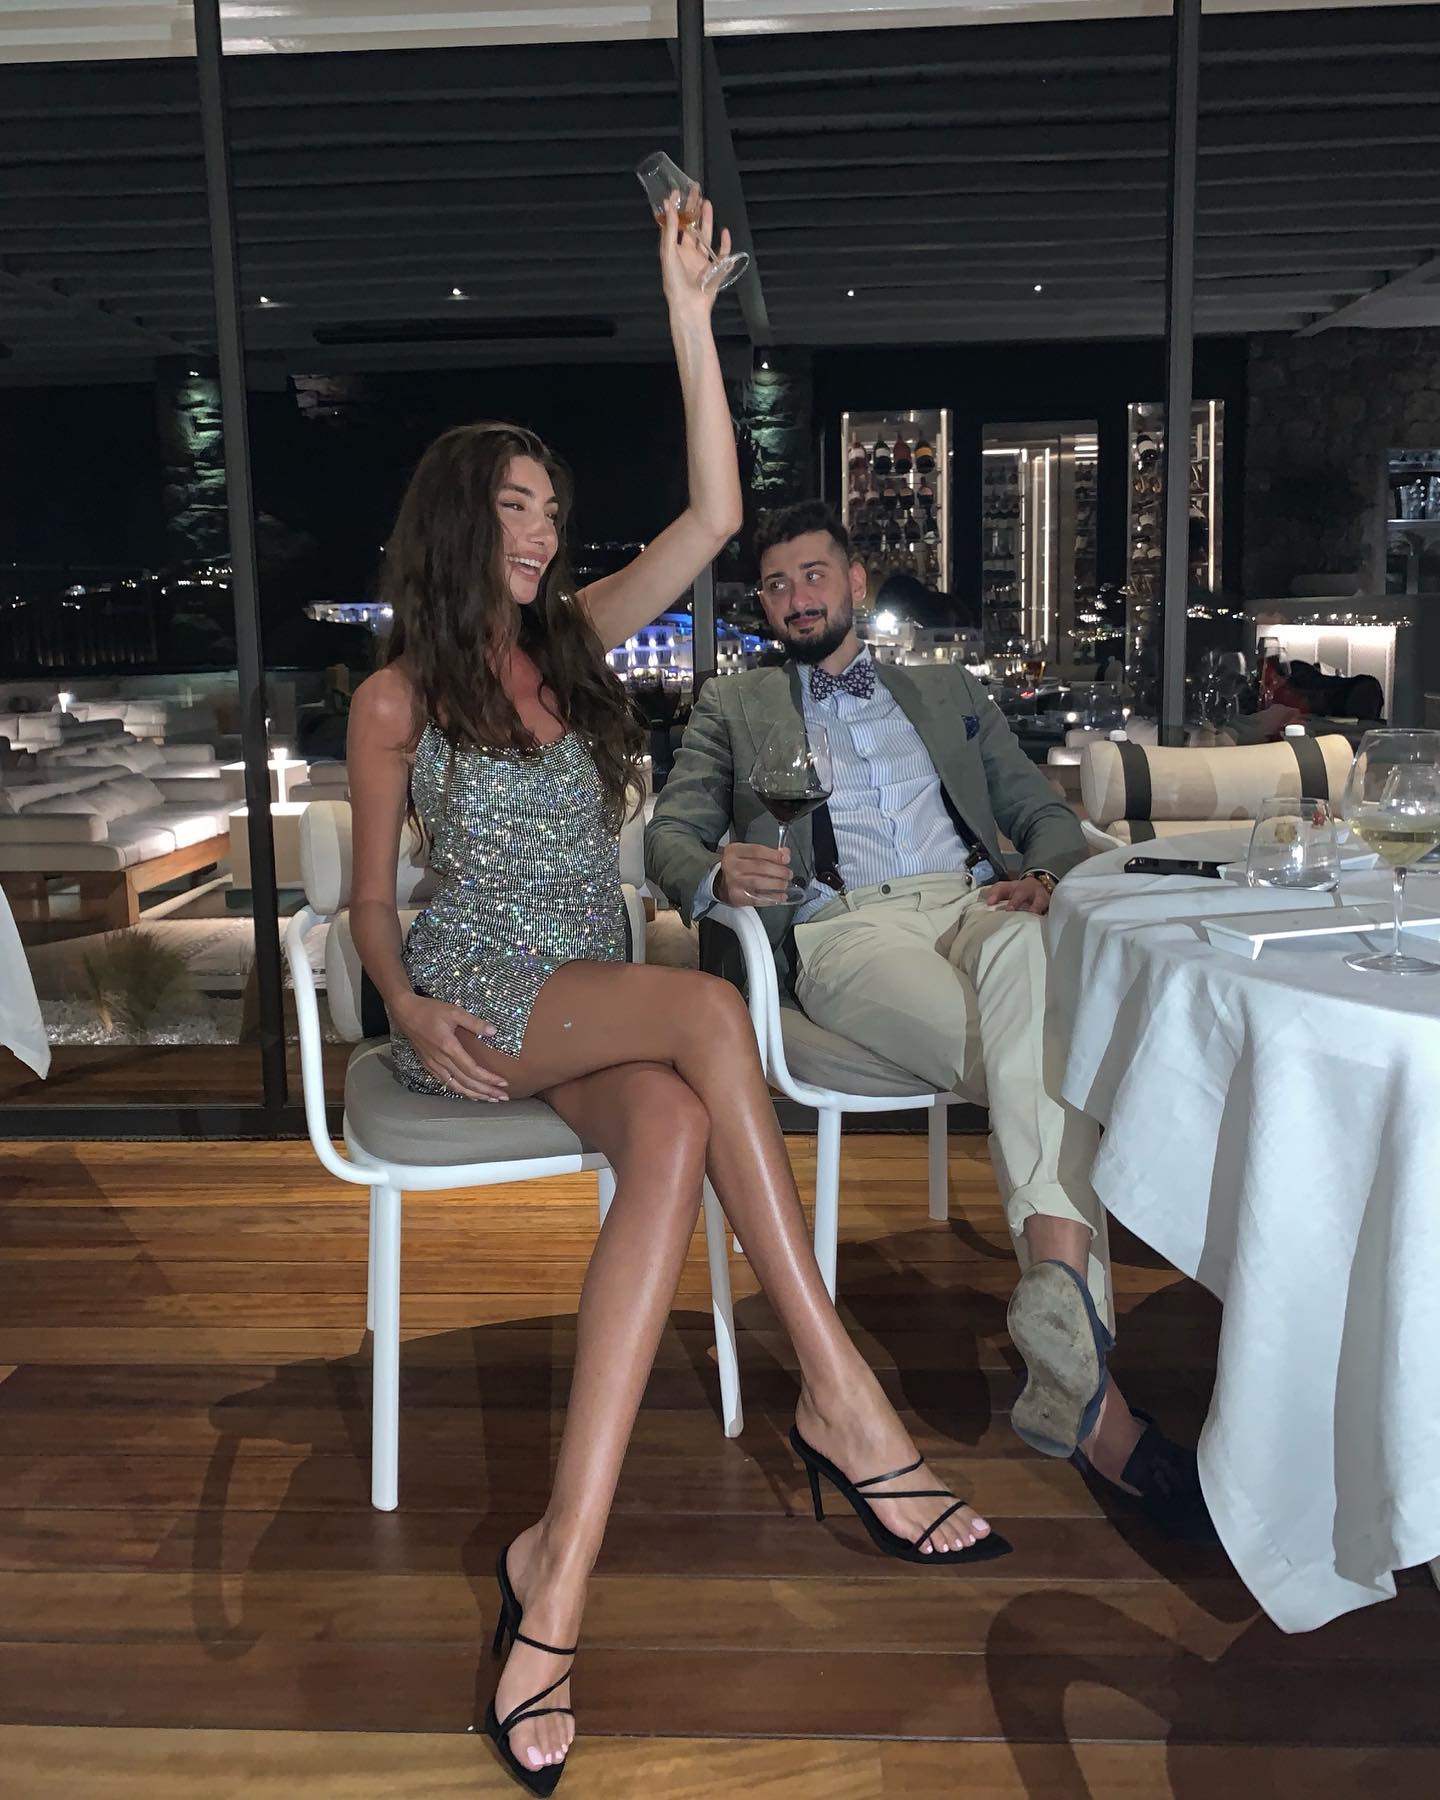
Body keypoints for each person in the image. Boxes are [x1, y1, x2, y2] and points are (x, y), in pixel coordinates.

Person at [345, 209, 1008, 1798]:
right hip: (481, 996)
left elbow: (714, 512)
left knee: (670, 1131)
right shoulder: (392, 696)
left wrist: (686, 309)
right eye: (514, 508)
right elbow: (371, 900)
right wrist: (404, 1007)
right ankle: (841, 1397)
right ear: (454, 521)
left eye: (551, 510)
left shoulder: (572, 640)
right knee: (711, 1020)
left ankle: (554, 1570)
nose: (539, 533)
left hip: (589, 995)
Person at [646, 499, 1214, 1549]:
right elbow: (670, 831)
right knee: (1053, 1052)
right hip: (847, 929)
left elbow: (1037, 809)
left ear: (856, 582)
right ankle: (1099, 1395)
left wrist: (1049, 875)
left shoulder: (948, 691)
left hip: (977, 904)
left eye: (813, 575)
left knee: (1032, 962)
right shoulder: (737, 702)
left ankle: (1060, 1301)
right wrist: (714, 872)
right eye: (775, 585)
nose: (795, 598)